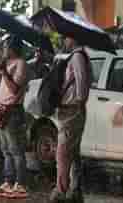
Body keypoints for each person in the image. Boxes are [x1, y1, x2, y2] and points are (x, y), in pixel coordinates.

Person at [49, 36, 91, 203]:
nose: (64, 40)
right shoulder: (76, 56)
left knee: (63, 152)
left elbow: (81, 83)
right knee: (72, 153)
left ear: (73, 38)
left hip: (73, 108)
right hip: (72, 108)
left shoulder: (78, 56)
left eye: (66, 37)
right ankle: (75, 190)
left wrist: (79, 103)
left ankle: (60, 191)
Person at [0, 36, 29, 198]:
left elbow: (14, 89)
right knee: (5, 149)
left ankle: (20, 184)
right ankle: (9, 181)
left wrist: (4, 72)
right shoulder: (8, 64)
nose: (4, 50)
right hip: (1, 110)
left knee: (16, 149)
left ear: (13, 48)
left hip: (12, 111)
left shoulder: (21, 64)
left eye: (6, 47)